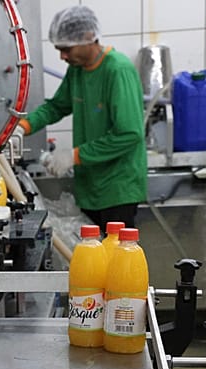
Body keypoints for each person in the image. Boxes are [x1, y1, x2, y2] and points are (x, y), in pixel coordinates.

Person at [17, 6, 147, 231]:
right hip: (90, 188)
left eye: (66, 49)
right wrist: (22, 127)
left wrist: (74, 156)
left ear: (89, 37)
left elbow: (129, 134)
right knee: (93, 259)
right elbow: (56, 107)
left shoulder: (117, 70)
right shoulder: (77, 70)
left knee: (116, 259)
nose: (62, 56)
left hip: (117, 190)